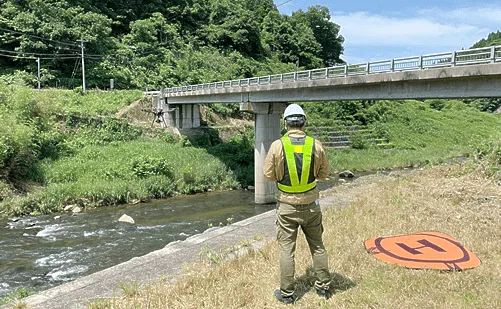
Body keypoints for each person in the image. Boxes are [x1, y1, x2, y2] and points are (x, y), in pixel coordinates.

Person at [264, 103, 332, 304]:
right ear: (303, 122)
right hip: (311, 205)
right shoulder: (316, 145)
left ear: (285, 123)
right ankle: (323, 288)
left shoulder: (278, 146)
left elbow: (268, 175)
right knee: (318, 246)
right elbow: (325, 173)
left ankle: (287, 294)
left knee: (287, 249)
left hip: (286, 207)